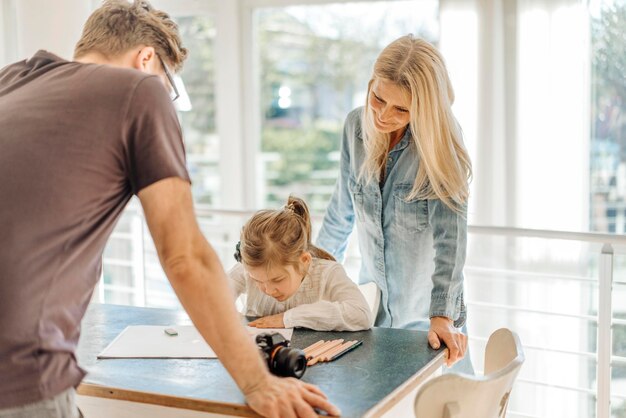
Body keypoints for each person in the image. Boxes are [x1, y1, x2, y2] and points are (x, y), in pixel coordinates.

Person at [0, 1, 339, 417]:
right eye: (167, 82)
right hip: (18, 372)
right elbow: (185, 256)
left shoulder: (15, 78)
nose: (165, 94)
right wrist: (257, 382)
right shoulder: (139, 90)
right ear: (145, 59)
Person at [316, 35, 472, 368]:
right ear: (371, 84)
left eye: (402, 109)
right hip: (370, 315)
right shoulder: (355, 128)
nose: (384, 115)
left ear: (423, 108)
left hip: (427, 323)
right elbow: (340, 214)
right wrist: (313, 285)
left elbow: (451, 240)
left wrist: (442, 314)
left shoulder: (440, 139)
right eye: (378, 98)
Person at [228, 196, 372, 331]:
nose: (269, 290)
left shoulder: (327, 273)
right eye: (257, 280)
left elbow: (362, 315)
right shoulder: (248, 268)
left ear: (304, 261)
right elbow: (214, 299)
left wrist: (287, 319)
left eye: (277, 279)